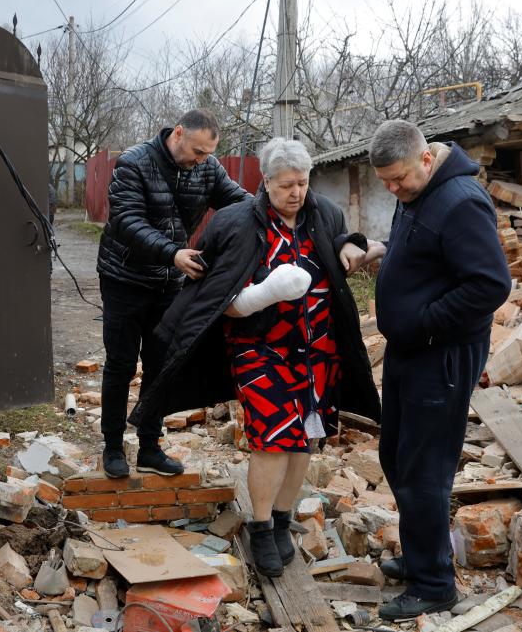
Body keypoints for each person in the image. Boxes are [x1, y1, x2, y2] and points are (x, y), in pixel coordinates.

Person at [129, 138, 380, 576]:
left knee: (305, 437)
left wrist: (353, 244)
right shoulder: (233, 223)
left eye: (303, 183)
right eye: (286, 185)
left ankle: (283, 522)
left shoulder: (324, 213)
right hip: (258, 348)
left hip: (317, 348)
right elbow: (214, 298)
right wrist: (265, 294)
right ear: (264, 182)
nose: (296, 193)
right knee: (273, 438)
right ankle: (261, 527)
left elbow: (340, 245)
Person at [367, 120, 512, 618]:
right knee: (397, 456)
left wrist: (426, 323)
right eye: (384, 181)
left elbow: (490, 285)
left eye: (399, 178)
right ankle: (421, 555)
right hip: (412, 350)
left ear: (426, 159)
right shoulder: (418, 195)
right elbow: (433, 260)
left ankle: (434, 585)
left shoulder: (461, 202)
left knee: (425, 470)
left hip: (441, 354)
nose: (393, 189)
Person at [96, 109, 251, 478]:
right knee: (120, 365)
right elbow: (127, 221)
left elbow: (241, 202)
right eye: (197, 151)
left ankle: (149, 447)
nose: (201, 160)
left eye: (207, 153)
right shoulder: (132, 163)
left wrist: (279, 204)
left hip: (169, 285)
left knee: (160, 366)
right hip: (124, 279)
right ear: (178, 133)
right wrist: (172, 253)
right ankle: (112, 447)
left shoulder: (207, 168)